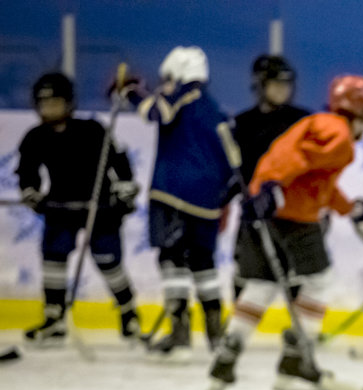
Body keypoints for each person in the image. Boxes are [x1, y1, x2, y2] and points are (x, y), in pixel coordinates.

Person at [207, 74, 363, 390]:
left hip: (265, 215)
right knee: (319, 282)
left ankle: (225, 360)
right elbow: (295, 158)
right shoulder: (338, 132)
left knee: (260, 285)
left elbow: (317, 183)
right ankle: (296, 362)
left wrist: (353, 211)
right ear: (357, 112)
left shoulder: (321, 125)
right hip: (293, 220)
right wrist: (272, 185)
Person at [117, 46, 239, 360]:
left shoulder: (182, 95)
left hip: (173, 191)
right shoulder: (215, 109)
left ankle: (180, 332)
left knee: (172, 258)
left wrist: (132, 91)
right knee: (203, 262)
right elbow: (234, 161)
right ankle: (216, 334)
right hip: (208, 199)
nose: (164, 85)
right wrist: (222, 198)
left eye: (167, 79)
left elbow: (156, 112)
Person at [17, 72, 140, 344]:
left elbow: (118, 161)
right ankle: (54, 318)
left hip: (100, 205)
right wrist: (31, 191)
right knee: (53, 258)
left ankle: (128, 312)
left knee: (108, 261)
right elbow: (28, 172)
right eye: (43, 103)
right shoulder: (35, 137)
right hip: (61, 205)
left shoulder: (92, 130)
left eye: (55, 102)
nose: (49, 108)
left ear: (69, 103)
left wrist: (125, 187)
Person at [231, 54, 310, 300]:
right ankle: (234, 331)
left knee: (296, 274)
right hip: (253, 210)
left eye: (286, 84)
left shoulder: (303, 121)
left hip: (292, 210)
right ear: (260, 85)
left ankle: (298, 332)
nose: (282, 90)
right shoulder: (243, 123)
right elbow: (237, 171)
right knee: (245, 271)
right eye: (275, 84)